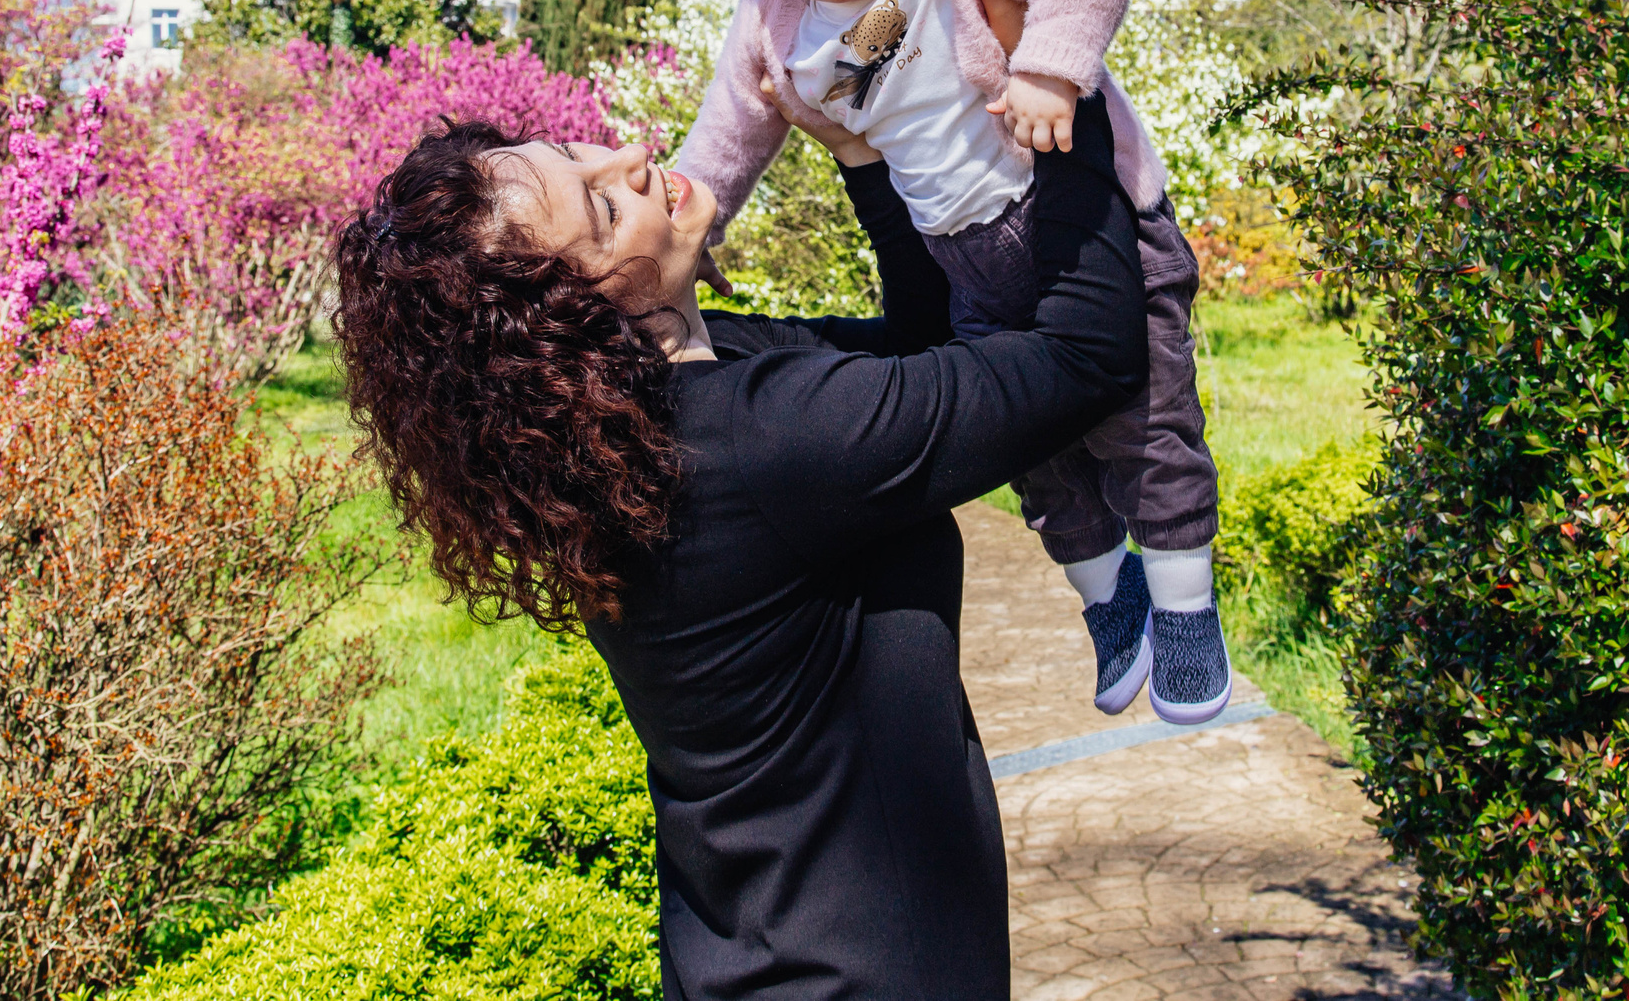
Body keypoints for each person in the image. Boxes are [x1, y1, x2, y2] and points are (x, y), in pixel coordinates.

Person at [332, 77, 1150, 1000]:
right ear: (574, 320)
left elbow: (924, 348)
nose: (631, 157)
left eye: (577, 151)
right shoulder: (757, 438)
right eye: (605, 208)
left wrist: (864, 158)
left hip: (755, 954)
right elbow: (1088, 354)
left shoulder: (640, 425)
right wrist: (1063, 89)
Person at [673, 0, 1230, 724]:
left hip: (1082, 214)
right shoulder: (776, 19)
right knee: (1034, 450)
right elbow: (734, 125)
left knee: (1144, 426)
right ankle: (1112, 600)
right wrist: (696, 215)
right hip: (966, 258)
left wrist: (1049, 65)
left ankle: (1187, 611)